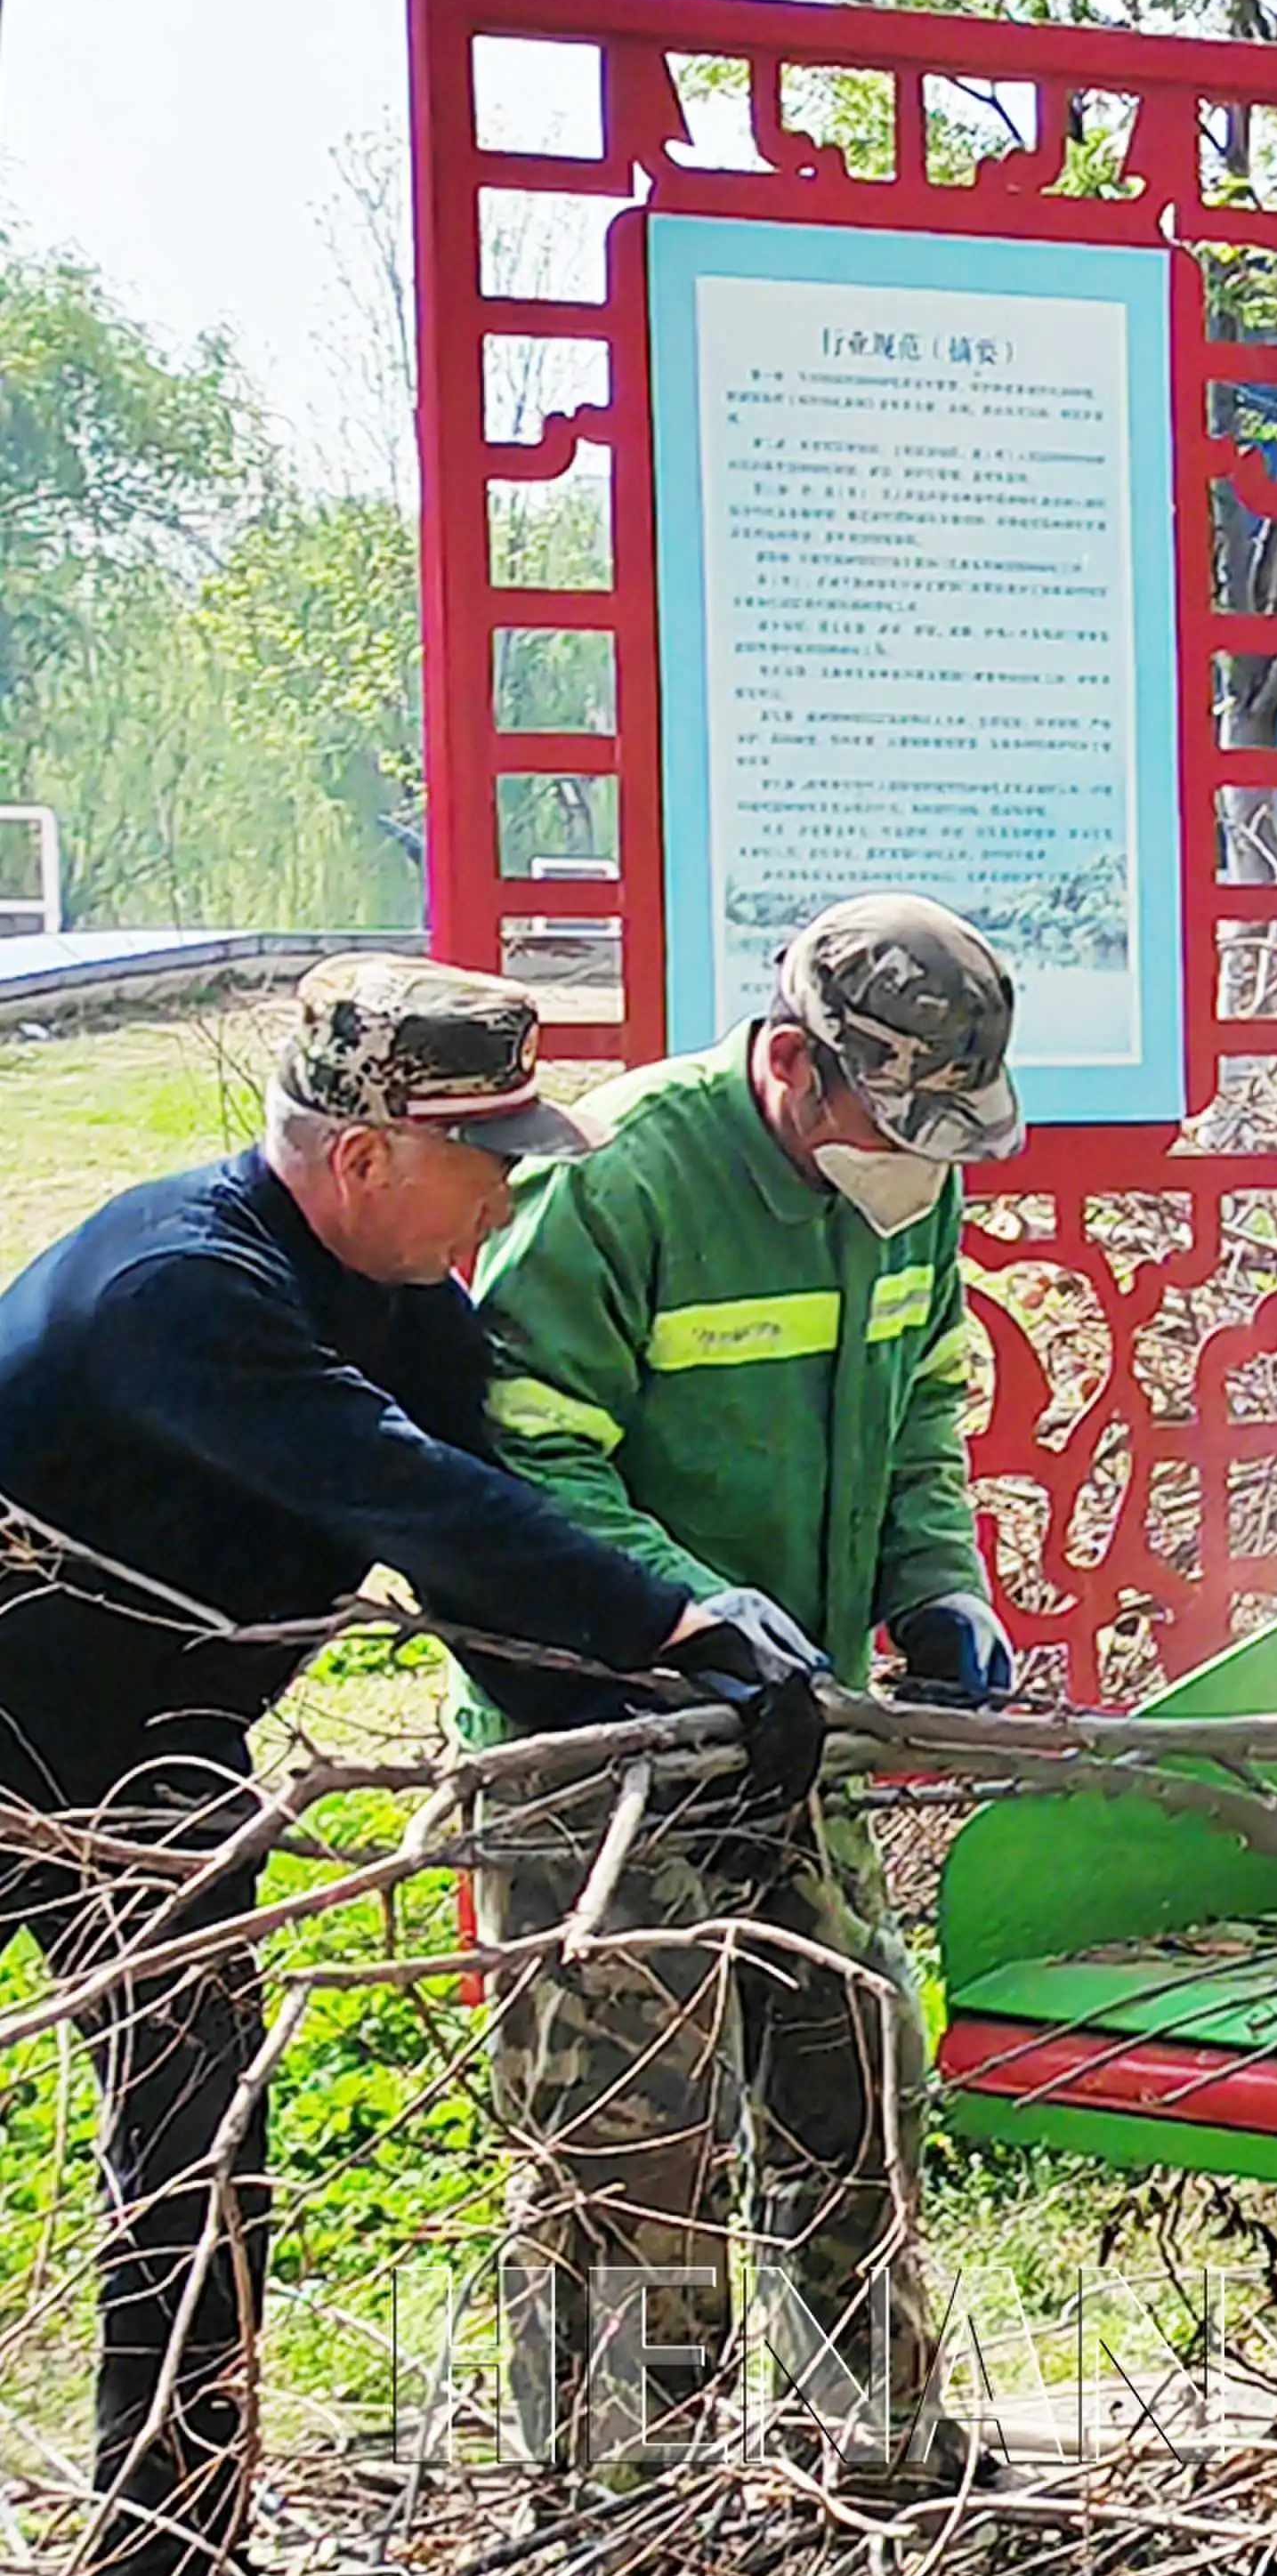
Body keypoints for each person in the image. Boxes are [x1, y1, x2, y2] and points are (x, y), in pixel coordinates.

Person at [0, 959, 788, 2576]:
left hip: (145, 1763)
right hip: (18, 1737)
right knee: (185, 2123)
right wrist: (682, 1614)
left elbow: (486, 1568)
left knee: (202, 2130)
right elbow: (411, 1498)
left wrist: (669, 1717)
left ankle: (170, 2556)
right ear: (365, 1158)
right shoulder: (184, 1292)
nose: (510, 1190)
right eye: (487, 1157)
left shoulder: (404, 1299)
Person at [467, 895, 1030, 2489]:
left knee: (851, 2067)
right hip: (600, 1738)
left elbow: (925, 1405)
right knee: (626, 2137)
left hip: (796, 1729)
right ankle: (617, 2499)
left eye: (945, 1138)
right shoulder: (621, 1181)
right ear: (793, 1062)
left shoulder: (911, 1191)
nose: (919, 1171)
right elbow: (522, 1454)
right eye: (894, 1125)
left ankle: (881, 2456)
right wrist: (693, 1617)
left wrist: (935, 1583)